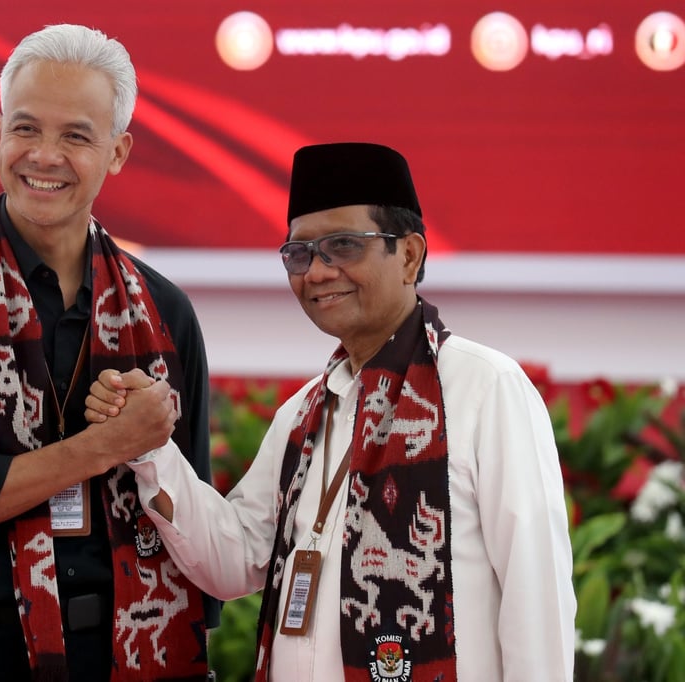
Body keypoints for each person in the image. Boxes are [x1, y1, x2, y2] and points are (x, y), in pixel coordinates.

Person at [86, 142, 577, 680]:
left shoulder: (485, 388)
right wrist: (150, 446)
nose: (317, 272)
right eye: (300, 254)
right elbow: (234, 558)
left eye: (343, 246)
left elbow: (538, 595)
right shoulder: (304, 413)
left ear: (409, 255)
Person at [0, 23, 218, 682]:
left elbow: (190, 523)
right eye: (26, 129)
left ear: (117, 152)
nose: (45, 155)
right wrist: (107, 445)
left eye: (77, 136)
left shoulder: (164, 312)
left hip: (133, 648)